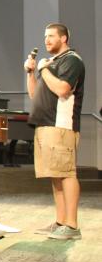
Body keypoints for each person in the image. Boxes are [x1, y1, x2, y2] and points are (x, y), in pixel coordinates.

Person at [25, 23, 85, 241]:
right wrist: (32, 73)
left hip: (61, 125)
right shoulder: (51, 64)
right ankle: (61, 221)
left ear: (64, 38)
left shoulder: (72, 60)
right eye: (45, 36)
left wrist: (43, 69)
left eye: (51, 36)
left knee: (66, 173)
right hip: (45, 124)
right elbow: (35, 95)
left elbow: (62, 89)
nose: (46, 40)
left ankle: (72, 225)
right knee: (55, 175)